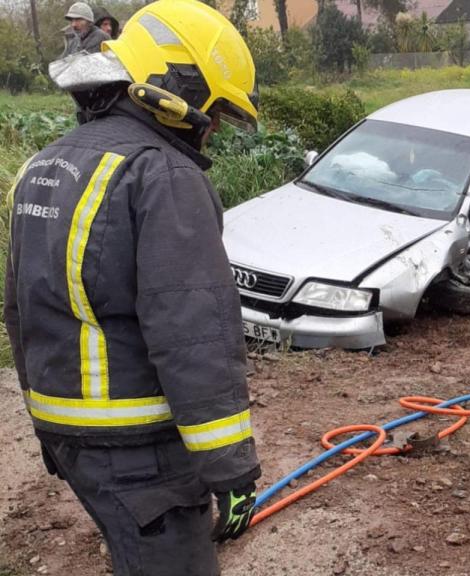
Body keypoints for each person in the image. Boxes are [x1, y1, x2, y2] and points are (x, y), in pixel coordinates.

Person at [6, 1, 262, 574]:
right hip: (136, 450)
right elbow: (193, 334)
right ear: (175, 87)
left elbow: (19, 310)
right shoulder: (163, 175)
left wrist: (50, 428)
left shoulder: (44, 165)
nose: (214, 126)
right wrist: (233, 470)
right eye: (214, 109)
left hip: (71, 440)